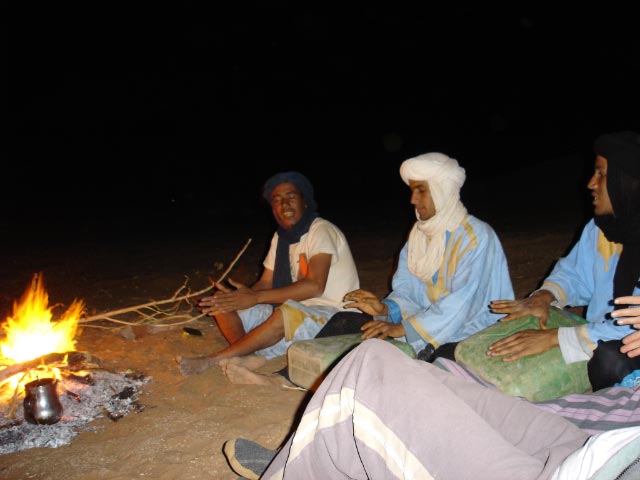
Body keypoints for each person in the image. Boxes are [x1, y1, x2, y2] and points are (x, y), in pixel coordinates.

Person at [222, 339, 640, 480]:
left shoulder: (471, 238)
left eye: (421, 192)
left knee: (370, 362)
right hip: (600, 449)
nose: (413, 201)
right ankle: (320, 452)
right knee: (434, 378)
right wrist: (391, 313)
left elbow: (456, 304)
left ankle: (291, 469)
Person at [488, 131, 640, 390]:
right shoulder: (601, 228)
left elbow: (631, 326)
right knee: (518, 331)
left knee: (609, 361)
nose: (591, 183)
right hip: (598, 331)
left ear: (625, 181)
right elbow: (576, 275)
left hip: (619, 341)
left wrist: (557, 338)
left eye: (601, 174)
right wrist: (544, 297)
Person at [329, 152, 514, 361]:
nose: (413, 199)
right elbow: (407, 291)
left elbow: (461, 306)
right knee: (344, 323)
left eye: (421, 190)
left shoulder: (476, 237)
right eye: (412, 190)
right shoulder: (419, 235)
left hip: (470, 334)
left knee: (422, 365)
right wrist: (384, 309)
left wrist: (401, 329)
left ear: (442, 190)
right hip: (424, 329)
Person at [175, 171, 360, 381]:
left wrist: (255, 298)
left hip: (331, 316)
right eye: (277, 200)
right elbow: (265, 282)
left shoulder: (321, 230)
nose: (284, 204)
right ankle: (248, 353)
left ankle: (215, 359)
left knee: (285, 313)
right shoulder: (281, 237)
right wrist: (239, 298)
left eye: (290, 197)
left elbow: (315, 286)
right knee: (221, 303)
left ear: (305, 201)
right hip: (295, 312)